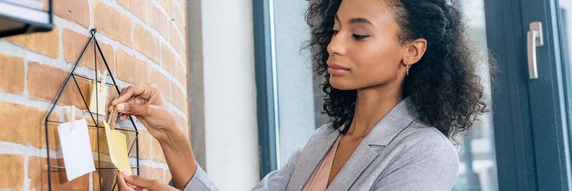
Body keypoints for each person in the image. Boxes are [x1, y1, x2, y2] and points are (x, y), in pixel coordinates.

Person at [110, 0, 488, 190]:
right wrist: (170, 133)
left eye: (358, 34)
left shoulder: (425, 151)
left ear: (412, 51)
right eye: (335, 29)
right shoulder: (323, 142)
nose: (334, 46)